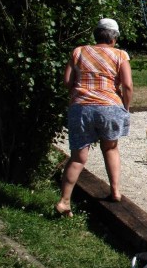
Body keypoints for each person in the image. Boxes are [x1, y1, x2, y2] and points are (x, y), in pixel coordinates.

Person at [55, 18, 133, 217]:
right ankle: (115, 191)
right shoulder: (120, 55)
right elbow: (128, 85)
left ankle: (64, 201)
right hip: (109, 106)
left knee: (78, 158)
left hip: (80, 108)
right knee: (110, 147)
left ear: (96, 35)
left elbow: (66, 81)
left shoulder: (78, 51)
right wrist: (125, 106)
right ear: (114, 38)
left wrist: (80, 93)